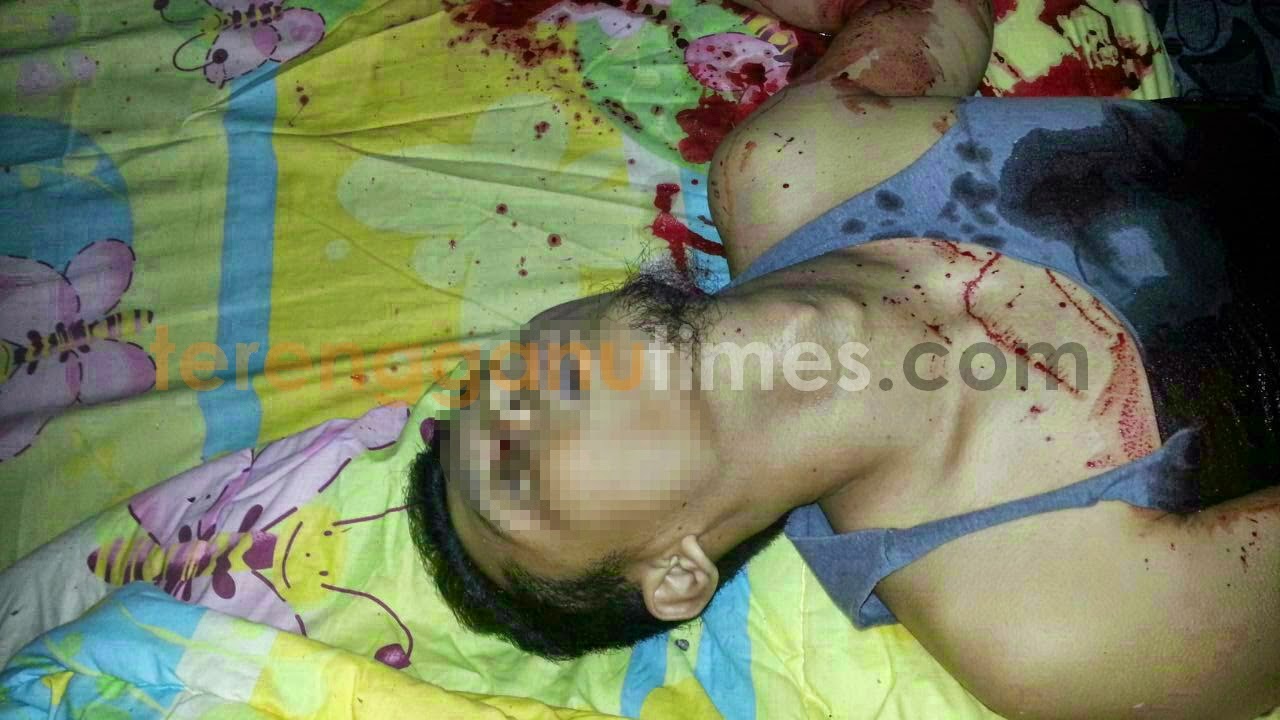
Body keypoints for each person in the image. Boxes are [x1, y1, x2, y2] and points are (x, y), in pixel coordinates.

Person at [407, 0, 1280, 717]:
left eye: (497, 377)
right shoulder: (1053, 621)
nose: (514, 400)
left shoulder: (794, 163)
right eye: (511, 473)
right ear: (674, 572)